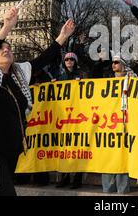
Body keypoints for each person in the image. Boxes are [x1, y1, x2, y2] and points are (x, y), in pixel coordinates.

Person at [0, 7, 75, 196]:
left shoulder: (19, 75)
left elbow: (42, 59)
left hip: (9, 151)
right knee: (4, 193)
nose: (6, 50)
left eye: (9, 48)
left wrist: (62, 37)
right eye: (1, 49)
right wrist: (6, 27)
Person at [102, 54, 136, 194]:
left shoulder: (133, 79)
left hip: (125, 121)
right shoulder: (107, 81)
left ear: (123, 64)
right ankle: (108, 188)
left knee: (122, 153)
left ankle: (122, 188)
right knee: (108, 153)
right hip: (109, 121)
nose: (113, 65)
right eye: (112, 62)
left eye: (116, 62)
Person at [56, 51, 84, 189]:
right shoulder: (60, 77)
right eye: (66, 59)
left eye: (72, 59)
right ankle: (64, 178)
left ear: (75, 61)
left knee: (77, 149)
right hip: (64, 118)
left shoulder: (81, 75)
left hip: (77, 117)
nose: (69, 61)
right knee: (64, 149)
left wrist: (81, 83)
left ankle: (76, 180)